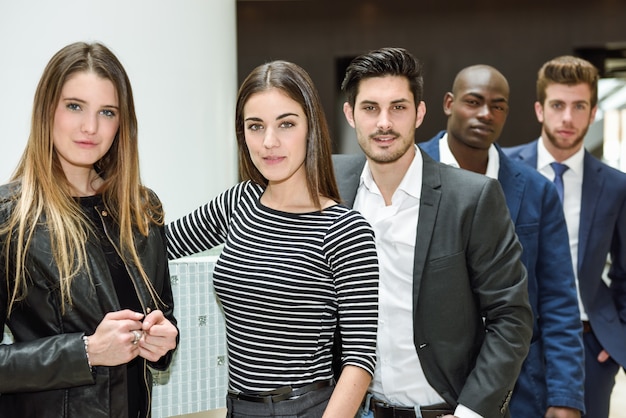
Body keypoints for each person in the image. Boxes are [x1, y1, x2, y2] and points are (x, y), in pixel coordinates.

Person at [166, 60, 379, 418]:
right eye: (255, 126)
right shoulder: (240, 202)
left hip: (308, 409)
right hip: (237, 407)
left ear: (310, 126)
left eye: (286, 124)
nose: (269, 142)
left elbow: (360, 359)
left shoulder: (344, 229)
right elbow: (153, 245)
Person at [335, 47, 533, 418]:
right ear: (350, 114)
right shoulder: (330, 187)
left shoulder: (472, 197)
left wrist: (470, 413)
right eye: (370, 108)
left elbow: (512, 318)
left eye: (398, 107)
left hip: (446, 409)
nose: (384, 123)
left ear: (420, 113)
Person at [0, 42, 178, 417]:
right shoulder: (10, 217)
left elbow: (162, 319)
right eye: (75, 106)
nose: (90, 127)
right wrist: (85, 352)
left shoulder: (142, 210)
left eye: (107, 112)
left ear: (121, 122)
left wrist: (164, 343)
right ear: (47, 110)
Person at [420, 64, 585, 417]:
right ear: (449, 103)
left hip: (518, 386)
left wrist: (565, 395)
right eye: (473, 101)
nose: (485, 114)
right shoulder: (408, 171)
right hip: (423, 383)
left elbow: (558, 299)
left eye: (498, 106)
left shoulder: (536, 189)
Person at [505, 55, 626, 418]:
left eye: (579, 106)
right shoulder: (504, 170)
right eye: (558, 105)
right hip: (514, 343)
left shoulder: (616, 185)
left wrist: (613, 342)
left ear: (593, 112)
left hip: (589, 346)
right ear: (540, 109)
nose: (568, 118)